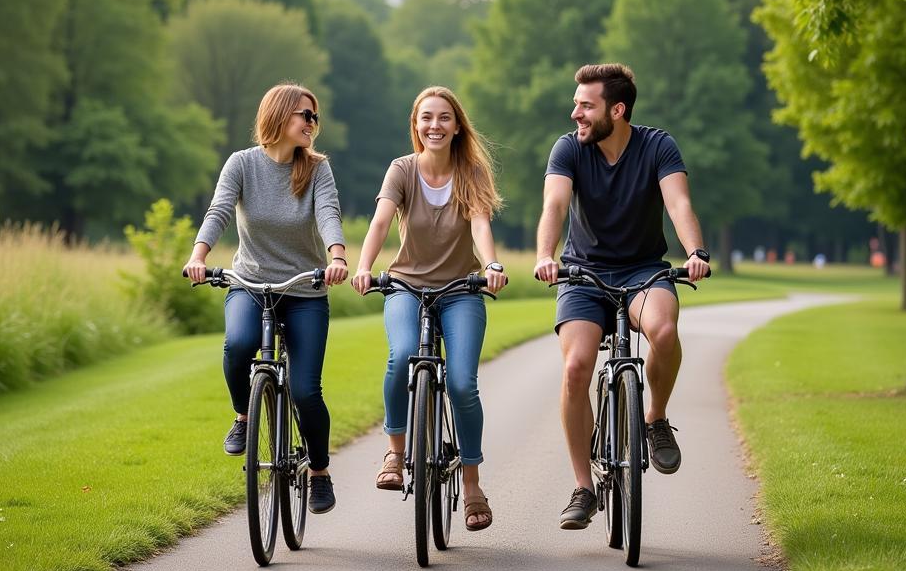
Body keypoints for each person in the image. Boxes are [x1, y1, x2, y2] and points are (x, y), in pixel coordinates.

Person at [534, 63, 710, 530]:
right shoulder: (569, 149)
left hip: (644, 271)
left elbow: (679, 204)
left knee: (665, 331)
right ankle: (583, 488)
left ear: (617, 109)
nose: (575, 114)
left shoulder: (658, 146)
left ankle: (654, 419)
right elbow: (554, 204)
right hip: (582, 274)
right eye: (576, 104)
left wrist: (695, 252)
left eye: (585, 106)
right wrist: (544, 255)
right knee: (576, 368)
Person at [183, 83, 349, 515]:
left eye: (315, 117)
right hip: (251, 282)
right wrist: (198, 256)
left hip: (304, 289)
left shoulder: (316, 169)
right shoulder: (242, 164)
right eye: (304, 116)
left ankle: (318, 472)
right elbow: (218, 211)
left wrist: (336, 256)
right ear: (278, 116)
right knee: (238, 345)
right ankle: (244, 414)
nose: (312, 124)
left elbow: (328, 213)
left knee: (306, 391)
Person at [352, 86, 506, 531]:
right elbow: (381, 220)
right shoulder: (401, 169)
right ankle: (396, 453)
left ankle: (473, 484)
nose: (434, 126)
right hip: (406, 285)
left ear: (457, 126)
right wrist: (364, 267)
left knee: (461, 382)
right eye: (426, 118)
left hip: (461, 289)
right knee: (401, 357)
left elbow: (479, 222)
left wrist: (492, 263)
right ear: (415, 125)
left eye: (443, 118)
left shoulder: (471, 171)